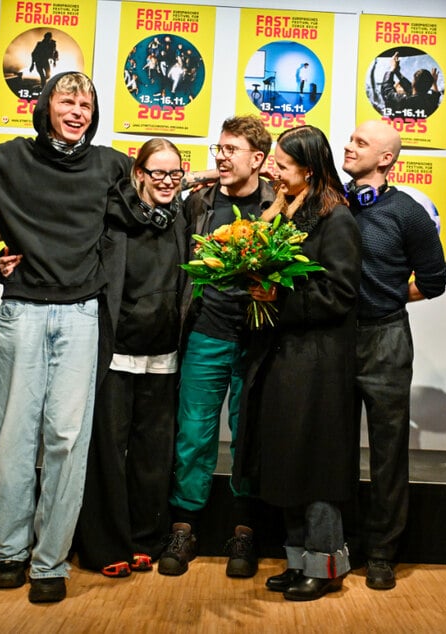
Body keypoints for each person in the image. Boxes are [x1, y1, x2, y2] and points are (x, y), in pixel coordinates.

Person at [0, 71, 157, 603]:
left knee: (66, 441)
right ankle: (9, 553)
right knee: (14, 439)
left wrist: (201, 177)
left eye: (86, 104)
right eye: (67, 100)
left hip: (80, 314)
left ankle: (50, 561)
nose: (78, 110)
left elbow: (149, 200)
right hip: (23, 312)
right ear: (46, 106)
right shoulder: (10, 157)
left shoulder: (110, 164)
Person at [233, 125, 361, 601]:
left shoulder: (336, 219)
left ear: (309, 169)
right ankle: (297, 561)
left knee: (316, 468)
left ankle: (325, 566)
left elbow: (340, 293)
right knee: (286, 462)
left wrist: (278, 297)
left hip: (318, 364)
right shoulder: (282, 214)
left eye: (282, 165)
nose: (274, 171)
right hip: (282, 357)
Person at [158, 115, 274, 578]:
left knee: (249, 437)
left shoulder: (278, 203)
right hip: (205, 332)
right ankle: (184, 528)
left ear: (258, 158)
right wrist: (206, 175)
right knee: (193, 435)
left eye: (231, 150)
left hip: (256, 340)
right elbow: (154, 192)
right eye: (219, 149)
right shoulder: (199, 202)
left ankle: (244, 532)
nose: (222, 157)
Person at [73, 139, 188, 578]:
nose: (167, 181)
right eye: (157, 172)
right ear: (138, 173)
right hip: (116, 353)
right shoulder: (110, 215)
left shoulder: (182, 216)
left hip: (163, 356)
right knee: (107, 453)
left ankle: (145, 538)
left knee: (152, 455)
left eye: (175, 173)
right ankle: (106, 545)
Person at [341, 120, 446, 590]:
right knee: (334, 446)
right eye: (351, 139)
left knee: (387, 451)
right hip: (334, 339)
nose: (349, 146)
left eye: (361, 143)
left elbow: (435, 282)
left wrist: (387, 295)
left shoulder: (409, 213)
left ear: (386, 159)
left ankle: (382, 551)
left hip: (386, 338)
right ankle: (337, 542)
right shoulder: (331, 202)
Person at [381, 52, 441, 118]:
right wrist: (397, 72)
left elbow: (387, 91)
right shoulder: (431, 101)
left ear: (413, 83)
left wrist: (392, 68)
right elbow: (435, 95)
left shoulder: (403, 101)